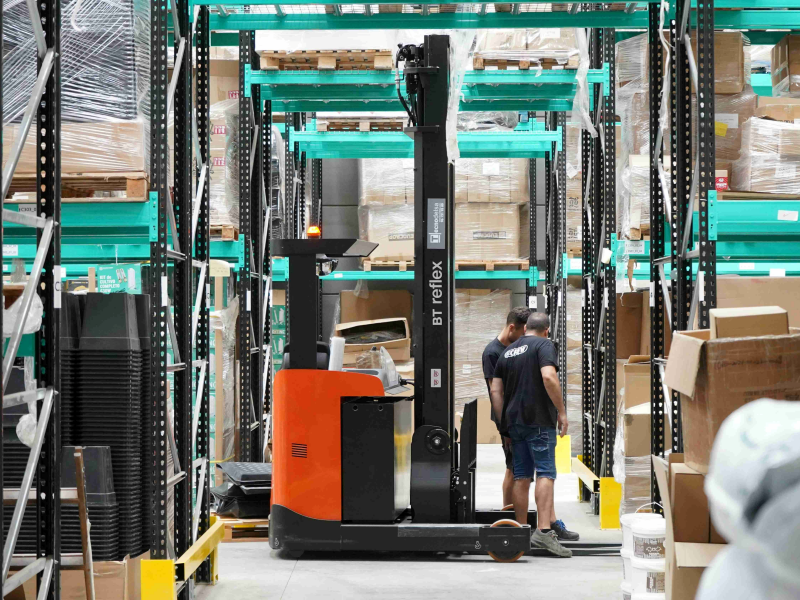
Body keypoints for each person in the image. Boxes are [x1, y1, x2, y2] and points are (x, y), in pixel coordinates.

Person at [490, 312, 578, 558]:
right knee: (546, 473)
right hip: (539, 420)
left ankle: (521, 532)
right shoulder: (544, 345)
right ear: (546, 330)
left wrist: (504, 425)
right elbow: (549, 376)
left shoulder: (508, 351)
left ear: (526, 327)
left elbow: (495, 391)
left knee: (522, 476)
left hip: (515, 423)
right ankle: (543, 531)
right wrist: (561, 412)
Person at [482, 307, 530, 507]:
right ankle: (508, 514)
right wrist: (505, 427)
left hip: (521, 415)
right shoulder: (492, 353)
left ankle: (515, 511)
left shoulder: (518, 347)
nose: (524, 338)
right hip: (507, 418)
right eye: (522, 333)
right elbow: (496, 392)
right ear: (511, 328)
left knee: (521, 467)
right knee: (513, 467)